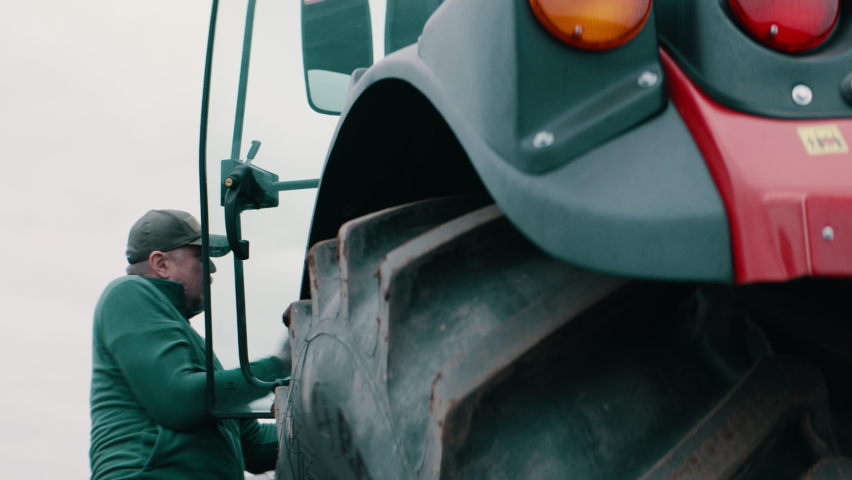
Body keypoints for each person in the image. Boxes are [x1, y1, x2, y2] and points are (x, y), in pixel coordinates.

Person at [90, 209, 290, 479]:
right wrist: (282, 364)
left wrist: (328, 426)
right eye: (200, 256)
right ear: (161, 264)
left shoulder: (188, 341)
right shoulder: (128, 294)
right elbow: (180, 400)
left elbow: (252, 446)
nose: (212, 267)